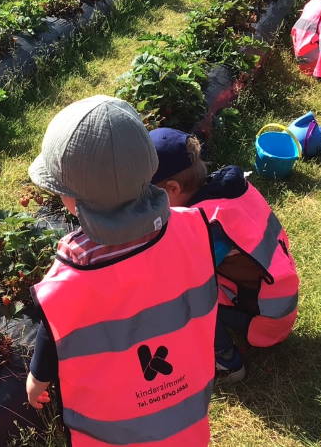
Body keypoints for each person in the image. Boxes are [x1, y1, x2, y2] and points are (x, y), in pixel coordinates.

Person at [25, 95, 219, 446]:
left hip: (112, 433)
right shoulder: (194, 226)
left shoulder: (70, 279)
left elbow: (51, 340)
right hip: (187, 415)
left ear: (74, 201)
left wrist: (36, 381)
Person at [149, 128, 300, 384]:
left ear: (172, 188)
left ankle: (228, 363)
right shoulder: (230, 188)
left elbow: (189, 279)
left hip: (266, 313)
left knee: (185, 299)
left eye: (150, 197)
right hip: (278, 295)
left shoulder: (209, 226)